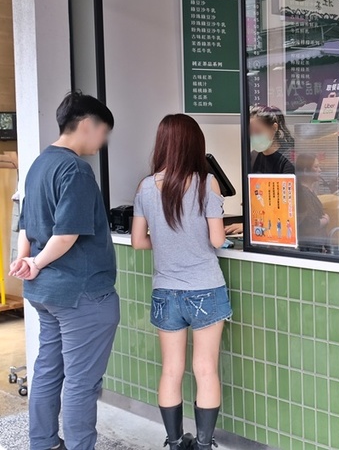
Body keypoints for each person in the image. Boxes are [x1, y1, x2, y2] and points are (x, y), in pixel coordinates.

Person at [9, 91, 119, 450]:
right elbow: (66, 233)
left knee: (47, 371)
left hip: (47, 293)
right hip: (81, 293)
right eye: (104, 132)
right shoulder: (74, 169)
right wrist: (36, 262)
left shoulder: (40, 163)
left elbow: (26, 225)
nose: (103, 142)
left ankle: (42, 443)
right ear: (87, 125)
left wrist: (26, 260)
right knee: (80, 382)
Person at [131, 114, 230, 450]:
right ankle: (203, 444)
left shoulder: (145, 187)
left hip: (165, 291)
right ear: (194, 145)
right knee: (205, 368)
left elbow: (137, 241)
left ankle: (175, 442)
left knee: (171, 369)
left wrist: (168, 241)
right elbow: (217, 240)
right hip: (205, 287)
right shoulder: (207, 183)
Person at [225, 105, 294, 235]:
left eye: (258, 132)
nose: (254, 137)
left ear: (274, 128)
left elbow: (288, 207)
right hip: (260, 227)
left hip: (282, 229)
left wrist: (251, 227)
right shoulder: (253, 156)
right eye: (250, 133)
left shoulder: (288, 160)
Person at [295, 153, 330, 248]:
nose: (320, 170)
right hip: (311, 249)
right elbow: (310, 225)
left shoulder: (309, 191)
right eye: (316, 167)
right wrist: (326, 220)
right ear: (306, 171)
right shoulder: (303, 194)